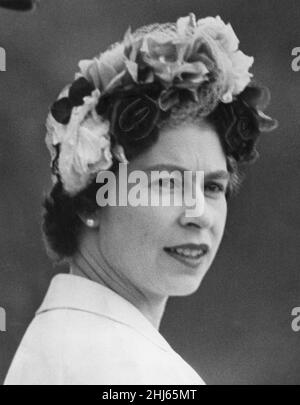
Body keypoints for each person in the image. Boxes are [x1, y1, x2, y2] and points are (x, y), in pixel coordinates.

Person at [4, 13, 277, 385]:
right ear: (89, 200)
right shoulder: (136, 373)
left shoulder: (61, 340)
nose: (200, 215)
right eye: (166, 183)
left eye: (213, 187)